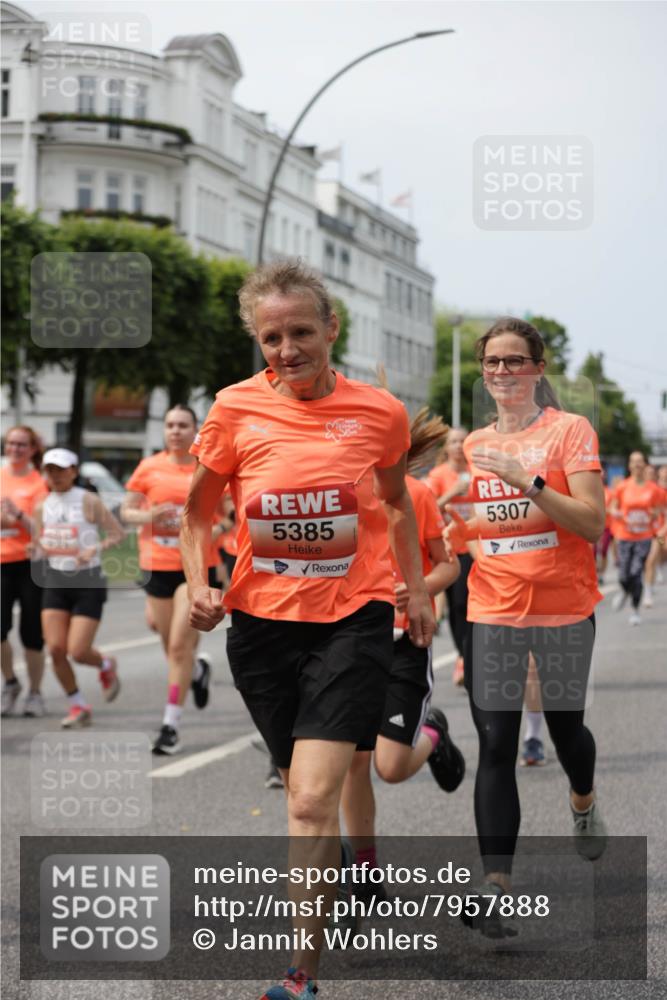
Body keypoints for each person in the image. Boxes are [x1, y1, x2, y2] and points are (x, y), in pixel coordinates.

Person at [181, 260, 434, 1000]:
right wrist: (199, 583)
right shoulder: (231, 410)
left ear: (331, 328)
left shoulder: (378, 413)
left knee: (308, 800)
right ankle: (324, 919)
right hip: (259, 627)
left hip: (351, 621)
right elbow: (197, 514)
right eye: (270, 337)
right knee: (301, 789)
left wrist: (414, 591)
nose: (286, 349)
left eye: (299, 332)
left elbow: (394, 505)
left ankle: (301, 971)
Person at [444, 317, 607, 936]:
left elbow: (591, 524)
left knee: (567, 736)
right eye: (493, 363)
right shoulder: (476, 443)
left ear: (539, 369)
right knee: (495, 745)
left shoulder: (570, 431)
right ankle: (495, 886)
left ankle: (584, 801)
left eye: (516, 361)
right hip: (493, 610)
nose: (503, 372)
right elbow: (496, 528)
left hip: (564, 609)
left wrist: (530, 482)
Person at [340, 407, 463, 884]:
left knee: (388, 769)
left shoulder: (418, 494)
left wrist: (418, 590)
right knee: (353, 762)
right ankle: (367, 873)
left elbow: (447, 567)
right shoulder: (338, 495)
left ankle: (432, 733)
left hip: (403, 644)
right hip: (349, 643)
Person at [122, 406, 222, 755]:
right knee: (170, 649)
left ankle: (170, 725)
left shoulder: (206, 465)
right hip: (157, 566)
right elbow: (126, 511)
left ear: (195, 430)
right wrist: (150, 515)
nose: (175, 431)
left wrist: (209, 530)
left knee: (179, 645)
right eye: (170, 425)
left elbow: (227, 516)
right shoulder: (149, 468)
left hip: (193, 567)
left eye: (183, 425)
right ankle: (197, 671)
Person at [33, 449, 124, 728]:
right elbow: (41, 542)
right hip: (56, 581)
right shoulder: (41, 505)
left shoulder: (88, 500)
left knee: (78, 651)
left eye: (61, 470)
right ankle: (78, 705)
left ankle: (105, 664)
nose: (55, 476)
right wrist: (38, 549)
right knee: (56, 649)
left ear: (73, 471)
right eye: (50, 470)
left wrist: (93, 548)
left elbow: (117, 534)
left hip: (87, 580)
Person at [1, 426, 48, 717]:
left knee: (31, 634)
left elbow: (44, 529)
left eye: (22, 445)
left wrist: (18, 515)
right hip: (1, 563)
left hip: (30, 564)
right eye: (11, 444)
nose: (15, 449)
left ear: (32, 449)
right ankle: (10, 682)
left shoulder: (39, 484)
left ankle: (35, 692)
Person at [424, 427, 475, 686]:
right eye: (453, 441)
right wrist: (455, 491)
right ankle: (464, 656)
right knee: (458, 606)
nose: (458, 445)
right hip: (449, 548)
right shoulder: (438, 475)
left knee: (474, 605)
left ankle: (470, 657)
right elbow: (429, 507)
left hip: (477, 547)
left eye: (462, 441)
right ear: (446, 447)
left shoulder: (478, 472)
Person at [609, 451, 663, 625]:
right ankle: (624, 591)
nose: (637, 465)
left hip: (644, 537)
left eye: (640, 462)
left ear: (645, 465)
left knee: (635, 572)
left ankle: (635, 610)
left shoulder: (654, 490)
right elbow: (612, 508)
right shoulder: (622, 487)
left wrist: (655, 518)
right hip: (625, 536)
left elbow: (662, 510)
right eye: (634, 462)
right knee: (624, 575)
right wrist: (619, 514)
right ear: (630, 465)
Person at [642, 463, 667, 606]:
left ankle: (660, 566)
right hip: (648, 532)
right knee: (650, 560)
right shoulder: (642, 490)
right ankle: (648, 592)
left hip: (660, 531)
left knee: (663, 551)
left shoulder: (660, 492)